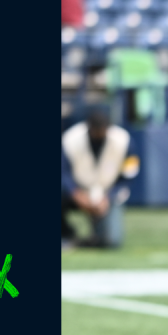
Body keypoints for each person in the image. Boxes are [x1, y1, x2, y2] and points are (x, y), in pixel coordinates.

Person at [61, 106, 140, 248]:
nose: (98, 135)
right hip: (78, 191)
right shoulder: (70, 139)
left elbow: (129, 176)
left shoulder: (124, 141)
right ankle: (66, 234)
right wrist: (76, 193)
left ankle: (92, 240)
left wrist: (109, 197)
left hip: (107, 193)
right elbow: (63, 172)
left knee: (112, 242)